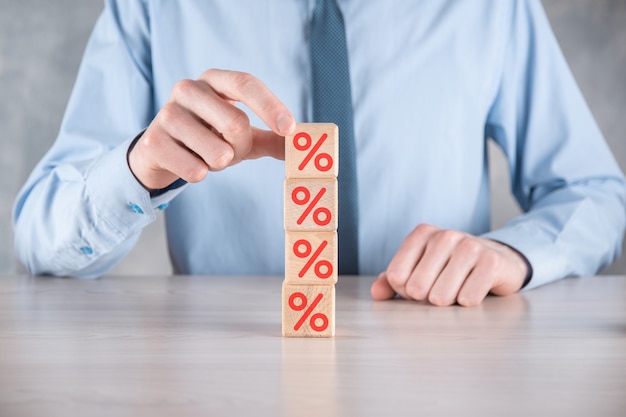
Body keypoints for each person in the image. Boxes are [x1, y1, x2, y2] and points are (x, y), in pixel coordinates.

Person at [13, 0, 625, 307]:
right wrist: (135, 171)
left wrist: (513, 254)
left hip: (442, 370)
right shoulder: (155, 8)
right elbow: (38, 234)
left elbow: (595, 193)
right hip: (227, 375)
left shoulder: (489, 7)